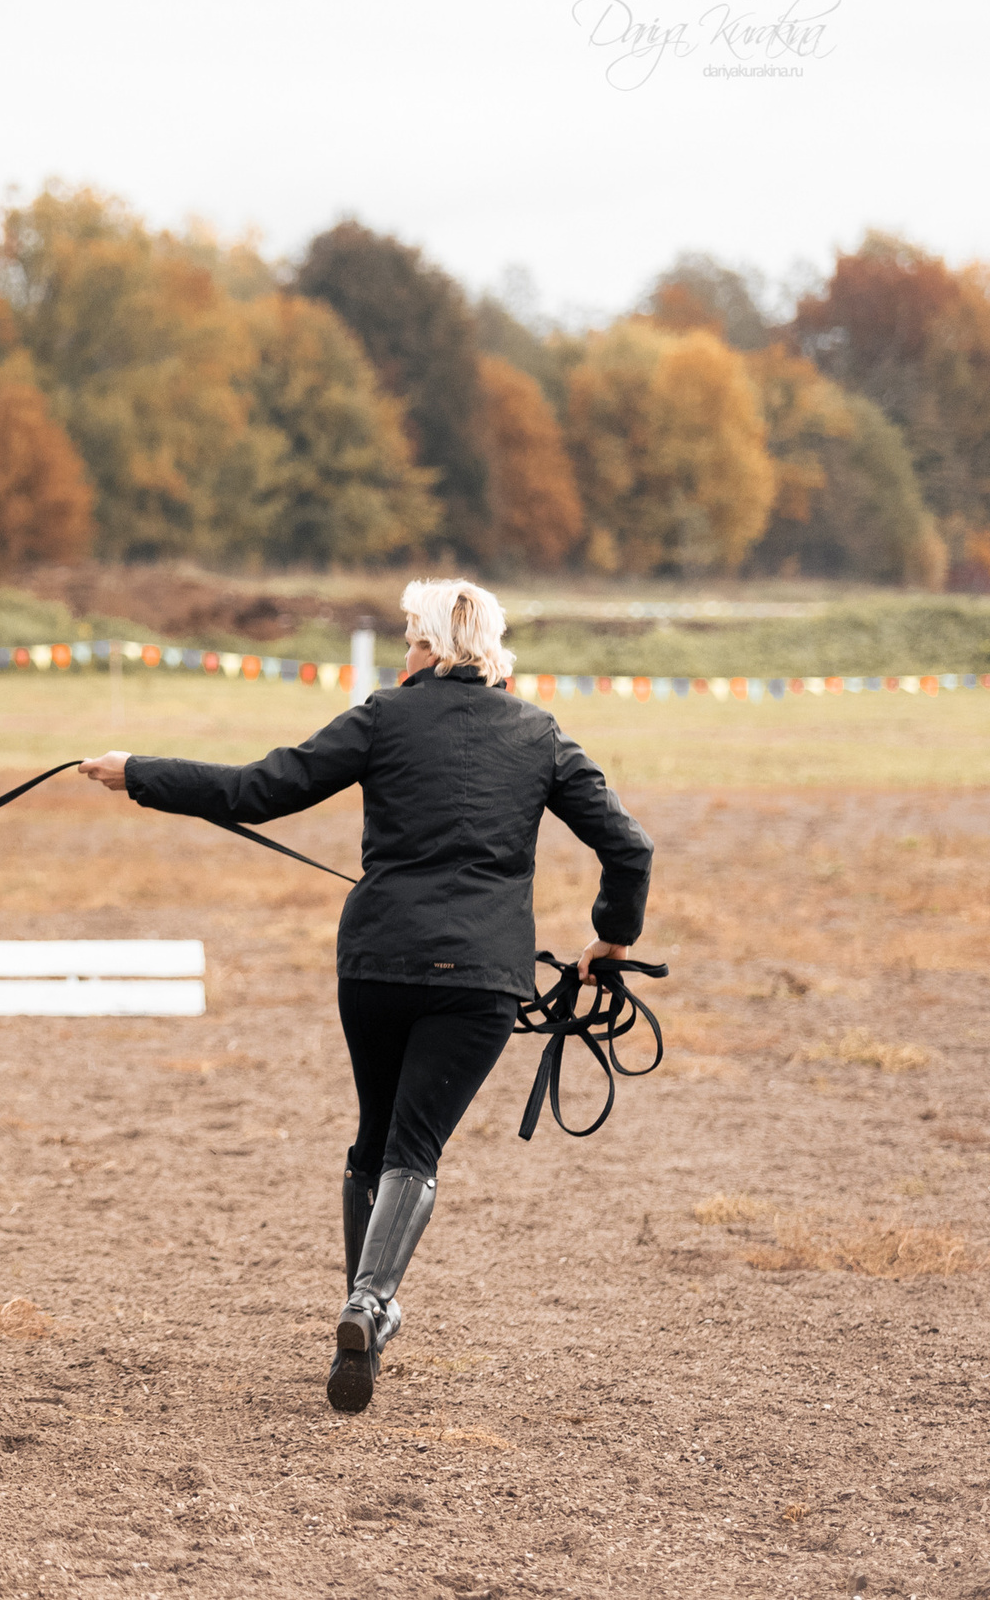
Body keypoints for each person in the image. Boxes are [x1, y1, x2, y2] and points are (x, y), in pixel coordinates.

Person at [78, 579, 651, 1416]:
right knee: (414, 1148)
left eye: (408, 638)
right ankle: (367, 1305)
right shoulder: (540, 733)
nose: (403, 652)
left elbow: (255, 790)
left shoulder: (383, 715)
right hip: (481, 979)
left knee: (372, 1139)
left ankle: (367, 1311)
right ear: (493, 652)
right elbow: (628, 846)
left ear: (427, 648)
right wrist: (611, 938)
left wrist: (140, 772)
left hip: (377, 963)